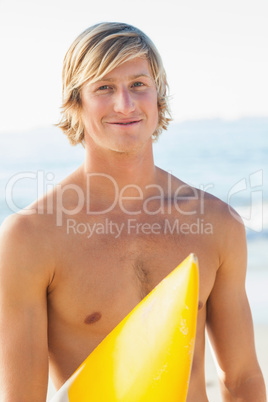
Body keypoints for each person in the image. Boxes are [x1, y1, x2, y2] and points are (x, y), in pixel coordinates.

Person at [0, 22, 266, 402]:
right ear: (76, 103)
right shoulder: (31, 238)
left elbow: (242, 379)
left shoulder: (217, 224)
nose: (125, 104)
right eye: (104, 88)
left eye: (139, 84)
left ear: (158, 98)